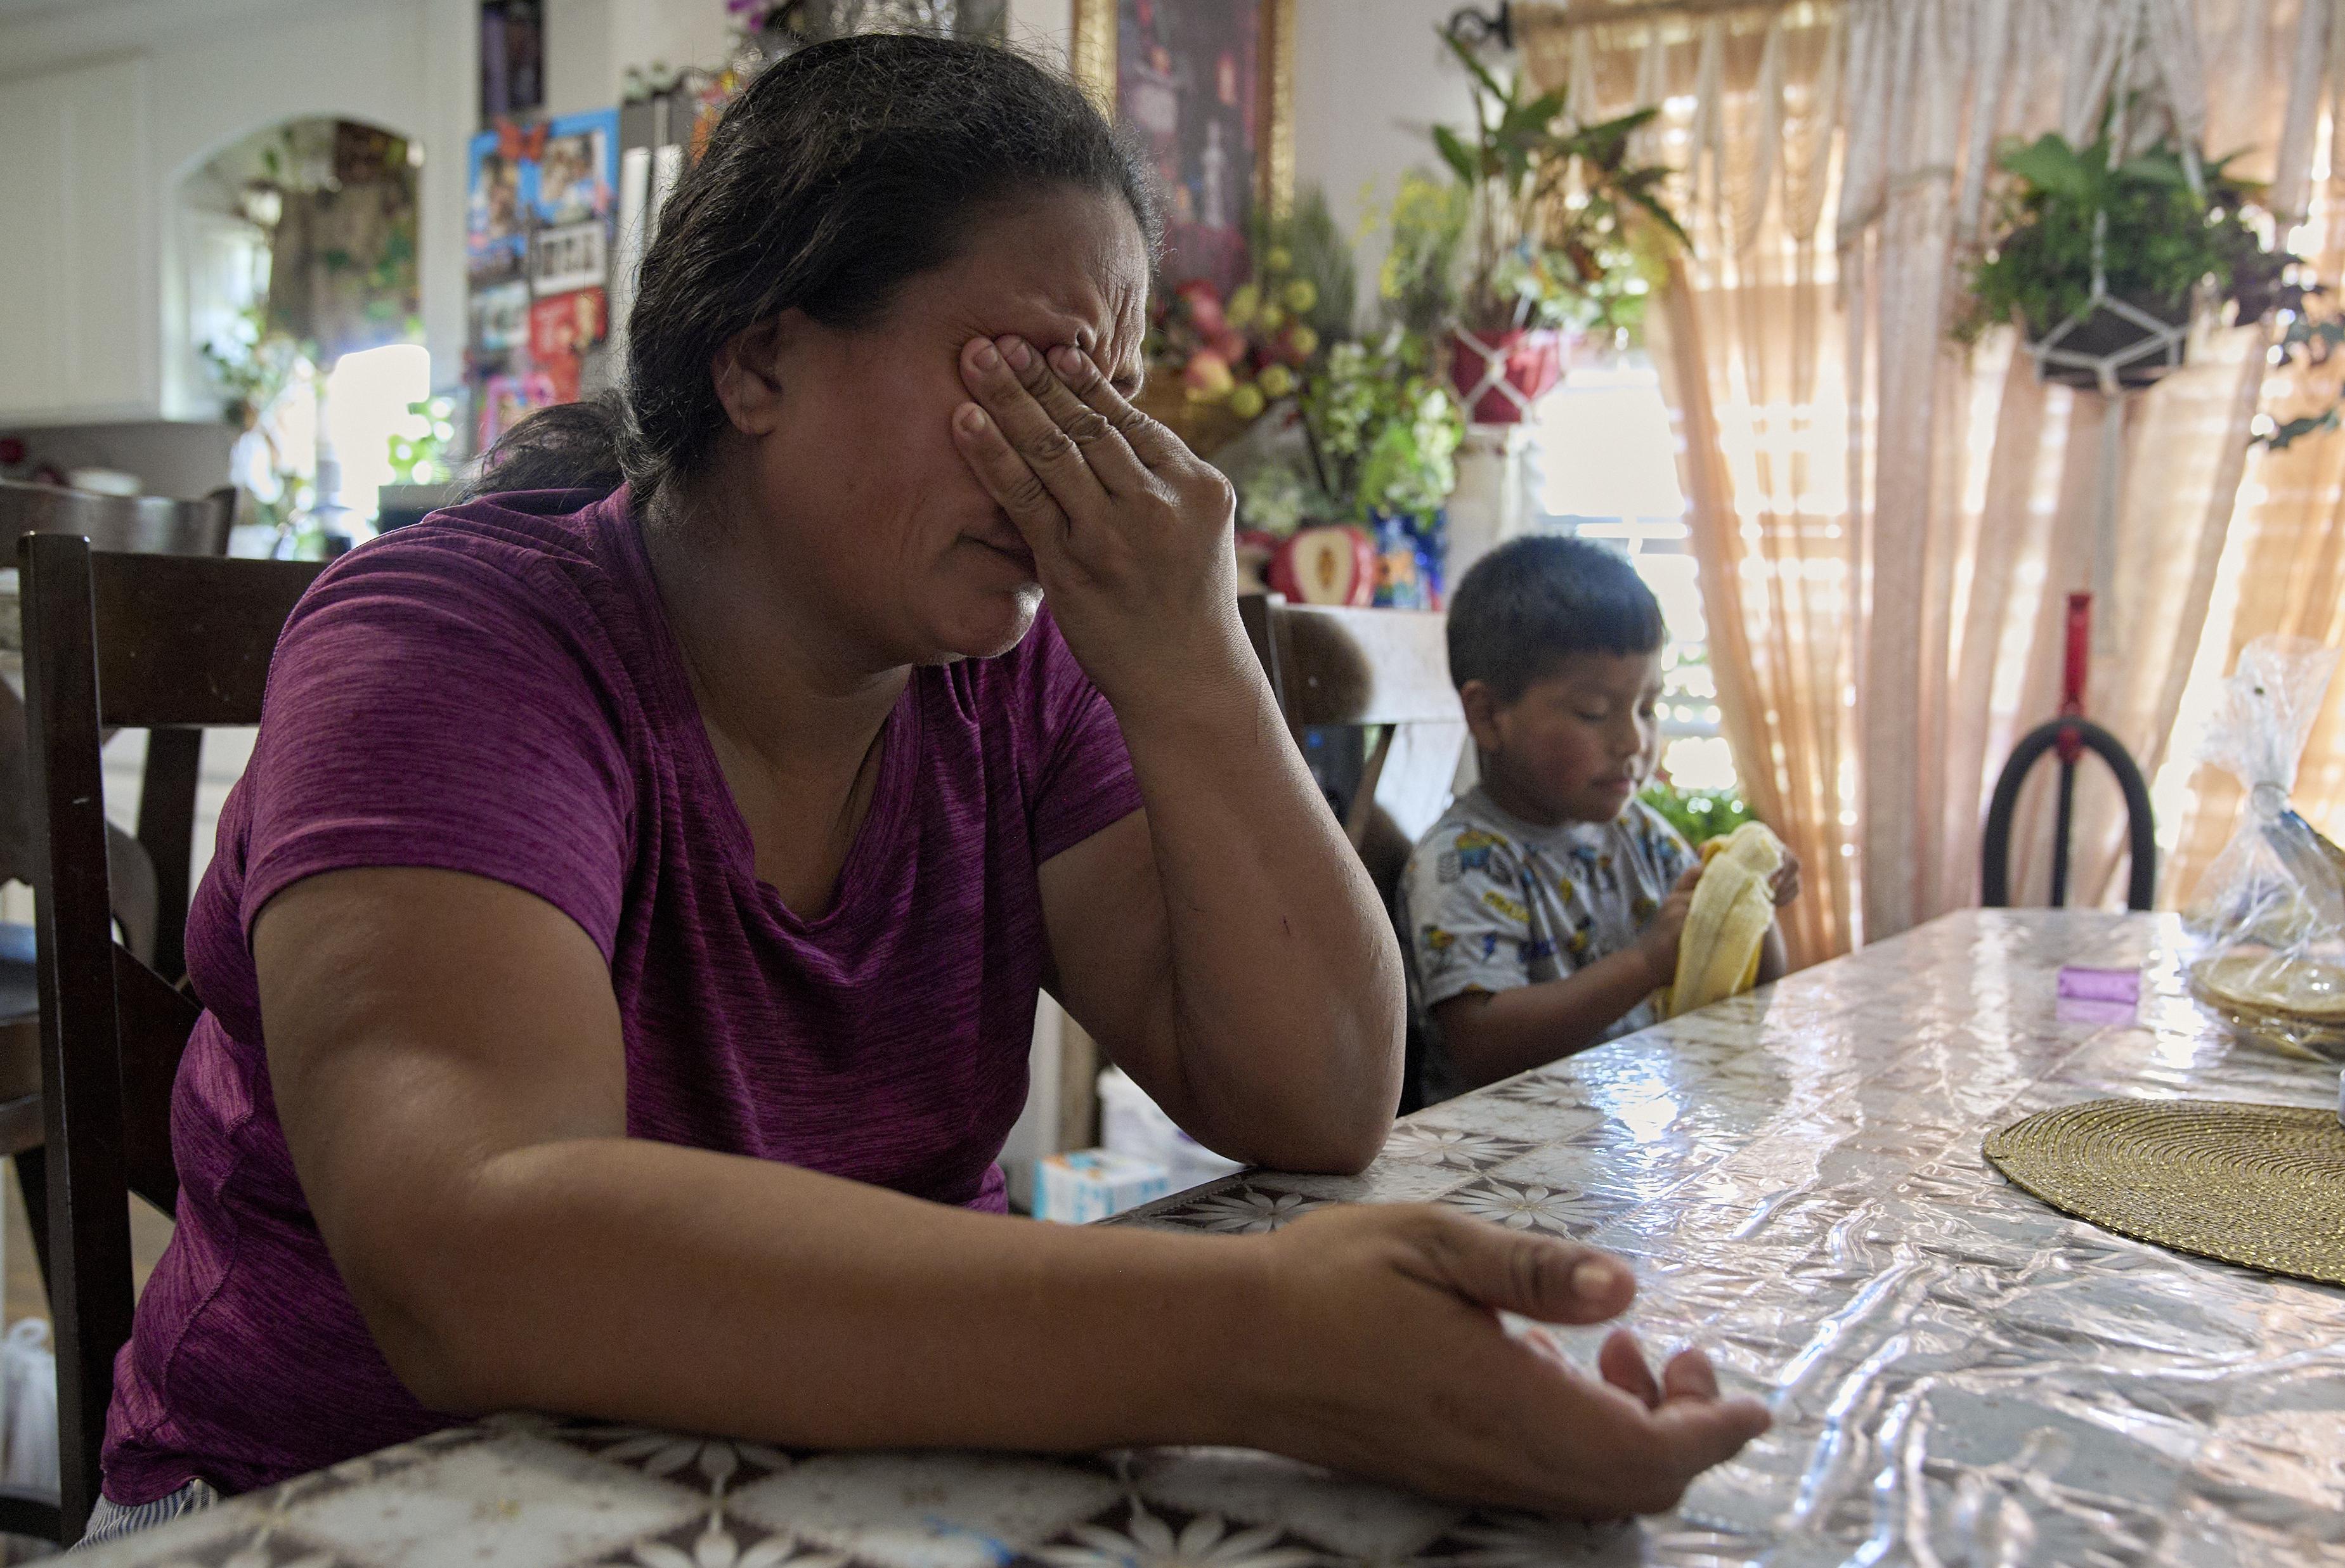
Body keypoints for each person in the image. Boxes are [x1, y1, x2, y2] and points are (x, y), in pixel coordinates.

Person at [84, 37, 1768, 1544]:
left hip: (864, 1476)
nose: (1073, 464)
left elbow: (1318, 1096)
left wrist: (1192, 654)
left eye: (1109, 399)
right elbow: (478, 1251)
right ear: (758, 361)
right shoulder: (453, 643)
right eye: (1024, 378)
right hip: (328, 1502)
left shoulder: (1010, 678)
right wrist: (1260, 1345)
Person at [1403, 537, 1802, 1101]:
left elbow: (1753, 993)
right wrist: (1647, 962)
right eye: (1594, 712)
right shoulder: (1464, 859)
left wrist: (1751, 908)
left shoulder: (1642, 834)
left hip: (1635, 1126)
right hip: (1507, 1143)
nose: (1634, 741)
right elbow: (1480, 1044)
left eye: (1647, 707)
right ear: (1489, 715)